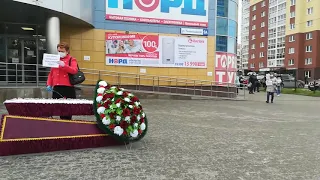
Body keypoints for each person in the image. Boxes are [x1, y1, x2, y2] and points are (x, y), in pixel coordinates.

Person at [46, 42, 79, 120]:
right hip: (57, 87)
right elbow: (51, 73)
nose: (60, 53)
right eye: (58, 51)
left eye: (62, 51)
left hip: (67, 88)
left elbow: (74, 70)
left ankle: (67, 125)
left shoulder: (72, 59)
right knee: (57, 109)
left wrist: (64, 65)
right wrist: (49, 84)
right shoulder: (55, 59)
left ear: (67, 51)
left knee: (67, 110)